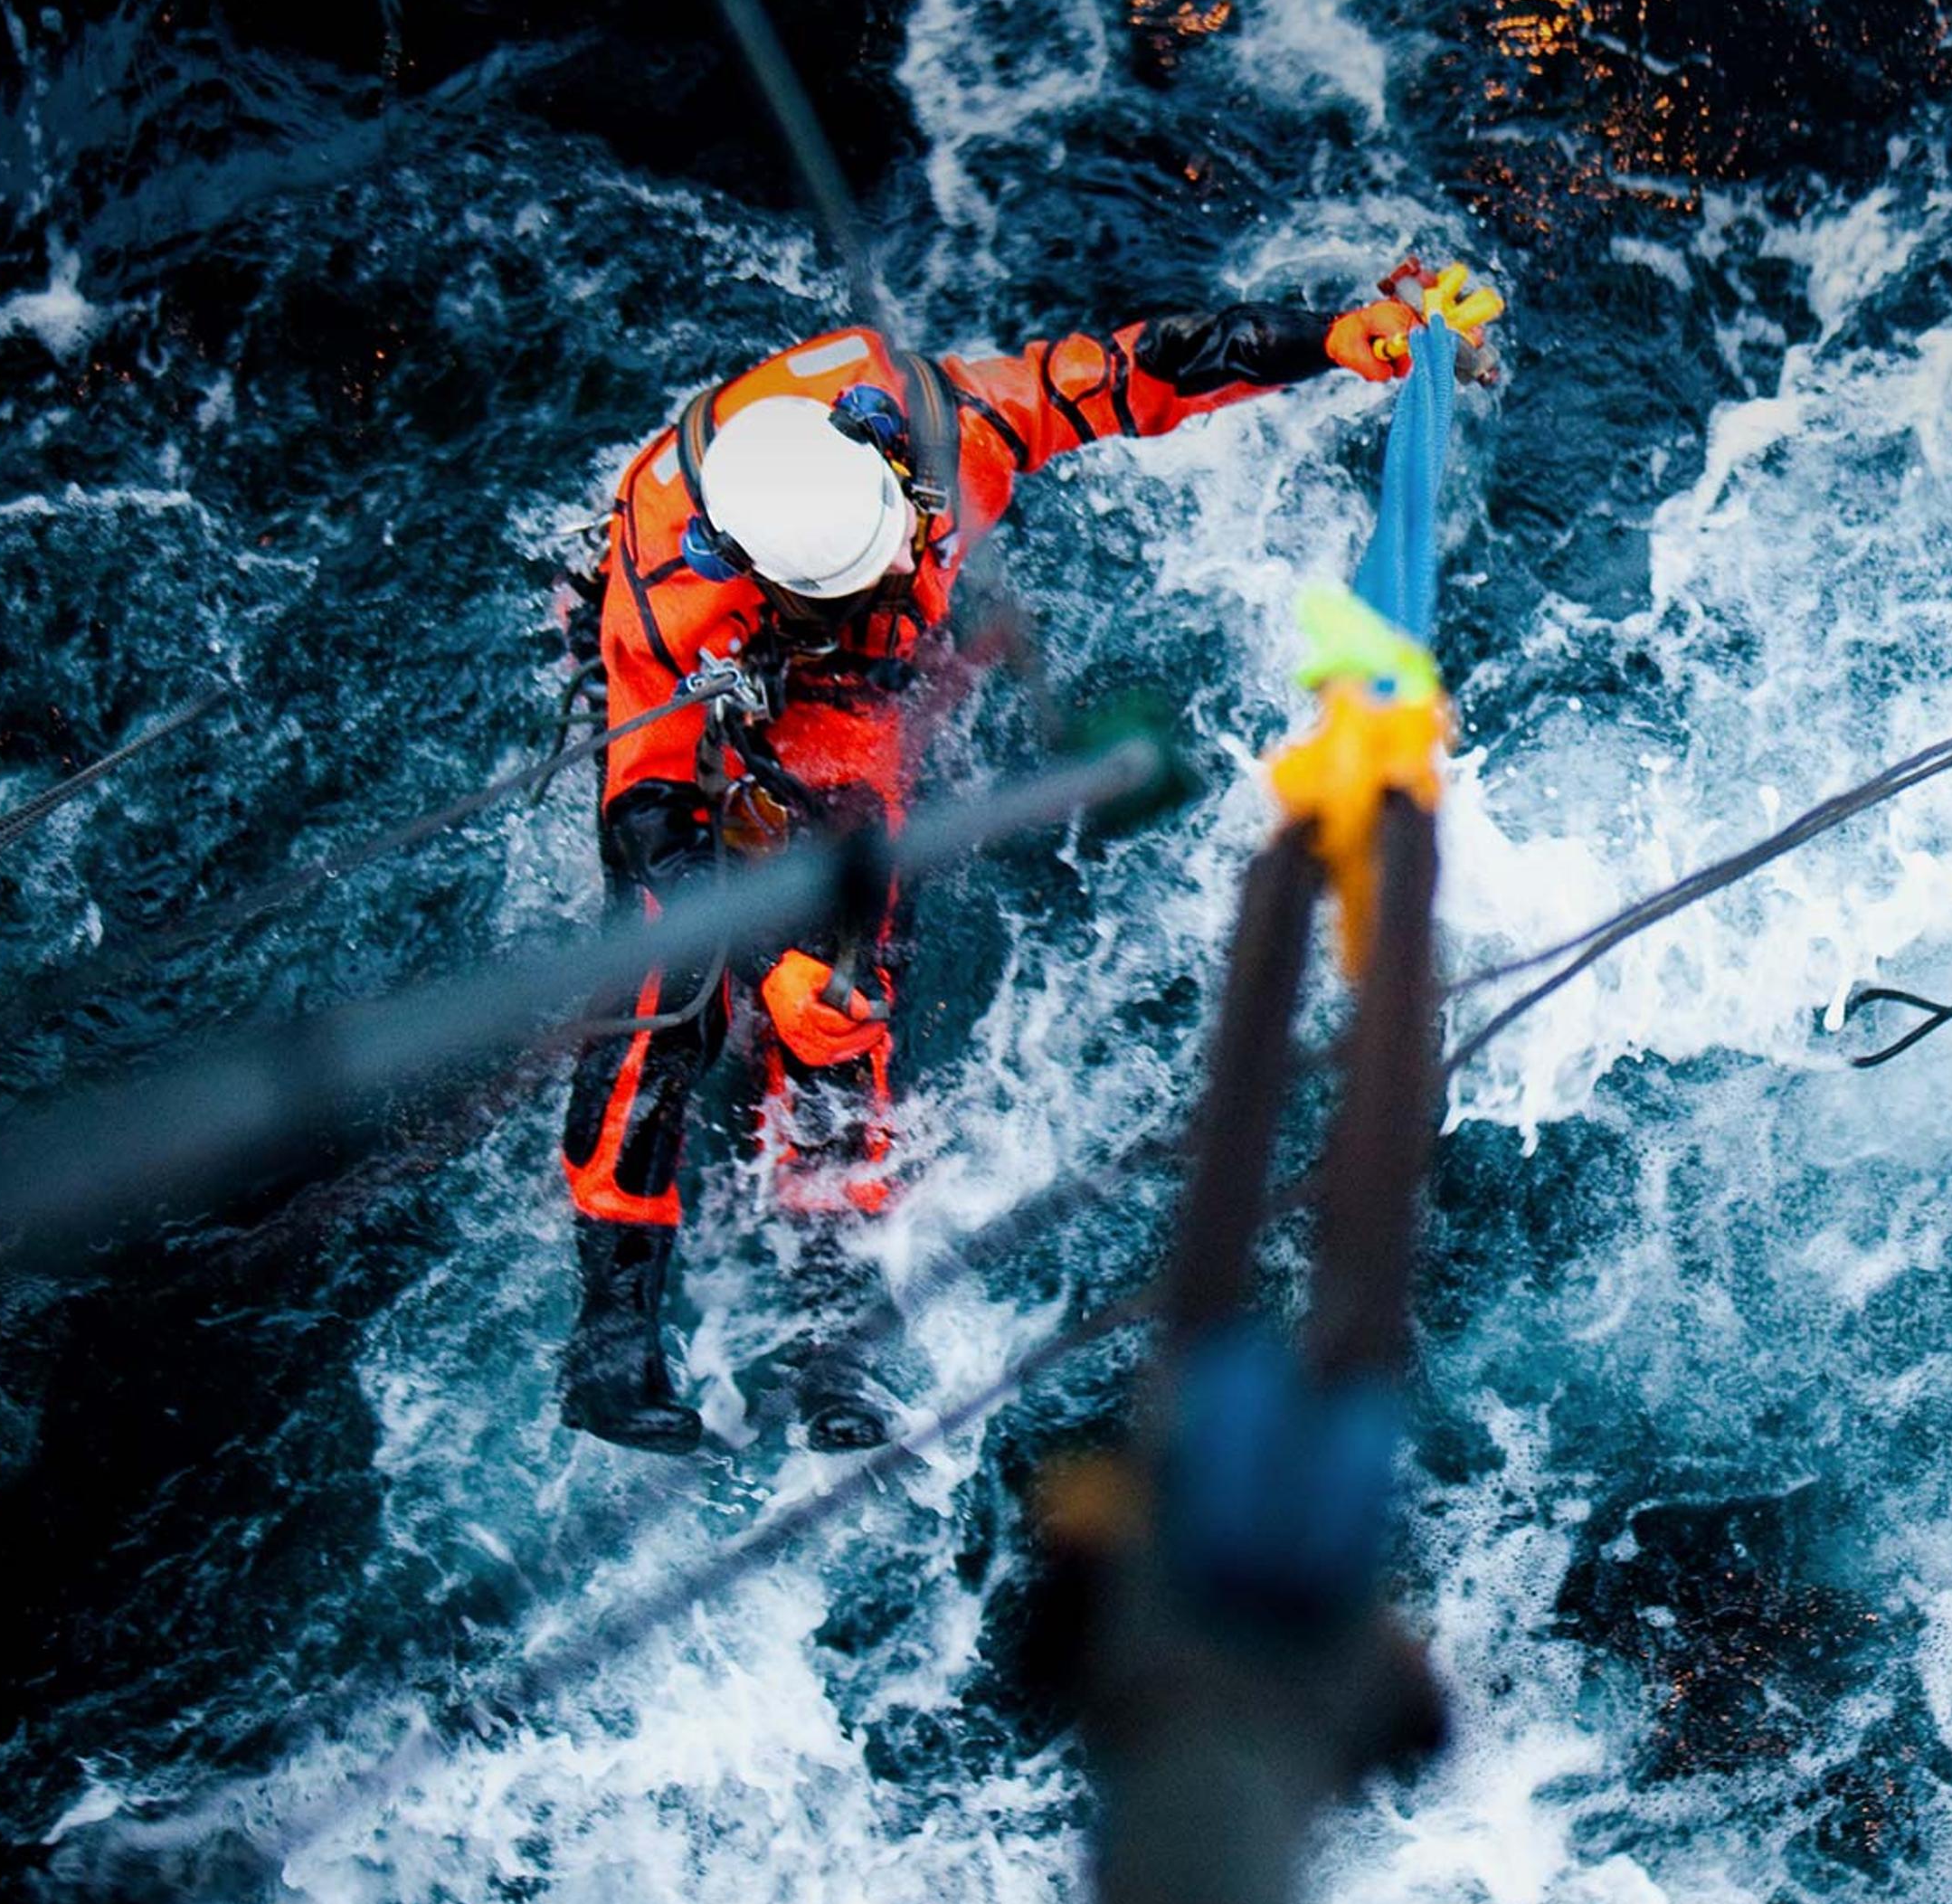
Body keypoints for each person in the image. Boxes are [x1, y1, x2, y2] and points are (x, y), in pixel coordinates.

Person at [556, 268, 1496, 1454]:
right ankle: (610, 1331)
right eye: (863, 582)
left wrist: (1330, 338)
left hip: (850, 699)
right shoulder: (670, 586)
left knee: (845, 993)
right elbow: (648, 829)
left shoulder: (951, 425)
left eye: (896, 556)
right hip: (722, 690)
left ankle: (826, 1323)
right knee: (663, 980)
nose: (901, 575)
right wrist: (751, 950)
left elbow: (1146, 363)